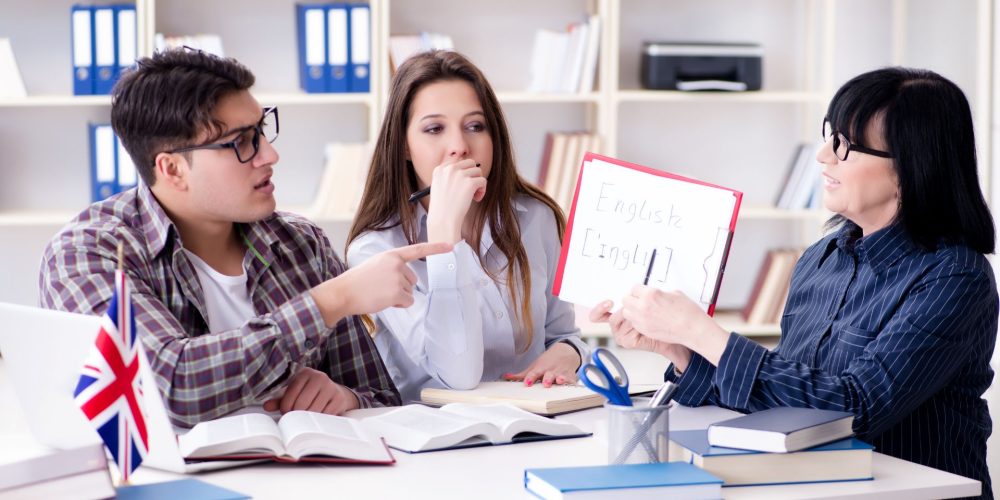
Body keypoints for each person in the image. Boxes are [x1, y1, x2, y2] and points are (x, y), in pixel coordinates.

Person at [592, 67, 997, 494]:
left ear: (909, 167)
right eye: (828, 135)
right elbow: (787, 401)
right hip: (815, 486)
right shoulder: (821, 258)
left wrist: (703, 332)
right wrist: (682, 352)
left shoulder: (955, 276)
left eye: (845, 146)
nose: (823, 156)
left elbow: (854, 410)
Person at [38, 49, 451, 428]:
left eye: (261, 130)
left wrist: (345, 399)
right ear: (172, 169)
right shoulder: (87, 254)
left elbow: (381, 400)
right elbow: (169, 385)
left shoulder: (302, 246)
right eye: (240, 142)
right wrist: (330, 301)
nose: (269, 155)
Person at [345, 51, 588, 403]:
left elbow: (564, 333)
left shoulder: (536, 218)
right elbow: (457, 376)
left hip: (535, 427)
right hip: (437, 441)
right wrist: (446, 234)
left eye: (475, 126)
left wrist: (569, 353)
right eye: (434, 129)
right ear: (403, 147)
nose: (459, 147)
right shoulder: (376, 249)